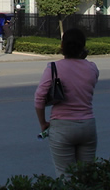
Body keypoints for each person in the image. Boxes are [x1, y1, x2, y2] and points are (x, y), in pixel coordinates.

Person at [34, 28, 98, 176]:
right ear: (83, 46)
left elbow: (39, 98)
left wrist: (43, 123)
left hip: (62, 127)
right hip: (88, 125)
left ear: (62, 46)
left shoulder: (53, 68)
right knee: (87, 176)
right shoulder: (92, 68)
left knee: (65, 175)